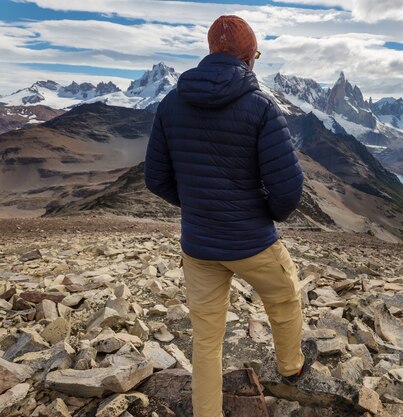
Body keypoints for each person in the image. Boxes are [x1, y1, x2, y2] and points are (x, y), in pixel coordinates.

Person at [144, 15, 317, 417]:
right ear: (249, 57)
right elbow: (288, 190)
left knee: (206, 337)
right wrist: (258, 214)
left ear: (210, 53)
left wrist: (195, 204)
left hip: (199, 245)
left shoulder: (171, 103)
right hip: (252, 241)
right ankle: (290, 367)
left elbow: (156, 178)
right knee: (285, 296)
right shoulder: (260, 106)